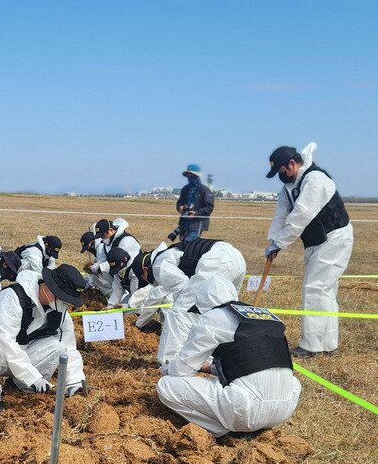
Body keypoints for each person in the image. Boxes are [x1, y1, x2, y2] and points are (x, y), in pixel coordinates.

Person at [156, 274, 301, 438]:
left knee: (166, 385)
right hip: (285, 408)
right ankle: (247, 427)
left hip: (246, 411)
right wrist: (208, 368)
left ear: (204, 305)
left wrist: (167, 369)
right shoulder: (266, 315)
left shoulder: (212, 317)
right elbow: (253, 362)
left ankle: (219, 430)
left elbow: (181, 370)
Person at [264, 142, 354, 357]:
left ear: (292, 164)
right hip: (316, 241)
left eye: (281, 171)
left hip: (334, 238)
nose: (280, 176)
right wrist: (272, 243)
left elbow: (300, 217)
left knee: (315, 288)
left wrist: (280, 243)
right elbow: (281, 216)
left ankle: (311, 346)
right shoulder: (288, 188)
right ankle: (328, 344)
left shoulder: (316, 180)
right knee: (324, 291)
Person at [0, 263, 87, 414]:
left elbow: (69, 346)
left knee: (58, 347)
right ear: (49, 287)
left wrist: (75, 380)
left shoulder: (60, 311)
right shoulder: (13, 297)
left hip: (24, 352)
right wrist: (32, 376)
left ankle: (19, 385)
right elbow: (4, 341)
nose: (66, 304)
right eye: (64, 299)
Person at [147, 235, 247, 363]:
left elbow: (181, 284)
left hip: (217, 260)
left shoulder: (159, 265)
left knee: (179, 312)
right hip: (237, 258)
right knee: (225, 311)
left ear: (145, 270)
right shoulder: (171, 253)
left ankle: (168, 362)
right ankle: (226, 359)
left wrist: (184, 306)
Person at [100, 218, 141, 306]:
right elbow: (117, 288)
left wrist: (128, 306)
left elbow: (139, 298)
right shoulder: (120, 267)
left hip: (149, 296)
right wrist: (111, 305)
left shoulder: (135, 272)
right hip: (136, 294)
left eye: (103, 235)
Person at [174, 163, 215, 242]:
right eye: (188, 175)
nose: (190, 177)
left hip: (197, 223)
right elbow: (179, 202)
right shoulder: (185, 189)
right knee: (182, 244)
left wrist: (196, 213)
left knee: (188, 243)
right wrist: (180, 208)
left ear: (197, 176)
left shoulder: (204, 190)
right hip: (184, 223)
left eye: (192, 175)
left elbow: (209, 207)